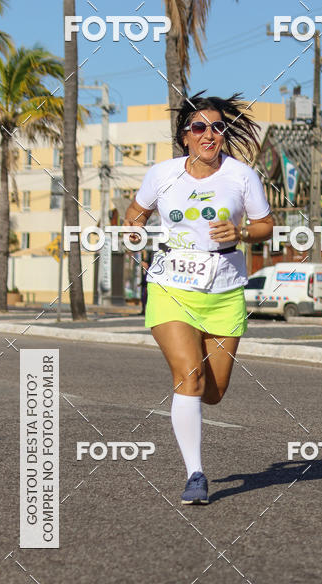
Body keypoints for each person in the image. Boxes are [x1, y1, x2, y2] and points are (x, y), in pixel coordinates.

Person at [123, 92, 274, 505]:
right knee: (190, 376)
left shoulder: (242, 176)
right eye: (200, 127)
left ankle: (192, 395)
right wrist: (135, 236)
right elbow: (134, 215)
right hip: (171, 286)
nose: (210, 134)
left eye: (218, 127)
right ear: (185, 137)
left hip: (224, 290)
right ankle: (195, 474)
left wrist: (240, 233)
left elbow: (265, 226)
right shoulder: (162, 174)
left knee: (213, 390)